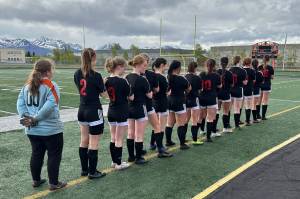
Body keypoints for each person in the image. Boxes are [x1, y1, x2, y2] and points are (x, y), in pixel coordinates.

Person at [17, 59, 66, 190]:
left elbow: (20, 103)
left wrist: (26, 117)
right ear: (48, 71)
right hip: (50, 129)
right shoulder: (51, 85)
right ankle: (54, 183)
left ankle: (36, 180)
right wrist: (35, 118)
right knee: (54, 155)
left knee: (36, 154)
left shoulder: (27, 85)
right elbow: (50, 105)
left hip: (32, 130)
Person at [74, 48, 106, 179]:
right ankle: (92, 172)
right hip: (94, 110)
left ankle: (84, 170)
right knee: (94, 142)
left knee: (84, 140)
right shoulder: (96, 75)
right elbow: (105, 95)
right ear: (93, 58)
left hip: (82, 110)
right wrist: (103, 83)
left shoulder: (77, 73)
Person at [104, 57, 132, 170]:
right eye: (123, 67)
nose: (124, 70)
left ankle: (114, 161)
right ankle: (119, 163)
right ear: (119, 67)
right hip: (121, 111)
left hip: (111, 110)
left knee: (113, 138)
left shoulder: (106, 80)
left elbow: (104, 94)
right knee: (119, 139)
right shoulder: (123, 81)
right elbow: (131, 96)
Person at [125, 55, 152, 164]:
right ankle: (139, 157)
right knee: (139, 134)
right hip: (140, 108)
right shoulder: (142, 79)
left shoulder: (127, 77)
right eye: (144, 65)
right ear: (139, 65)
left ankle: (131, 156)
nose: (145, 68)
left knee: (130, 133)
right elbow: (150, 95)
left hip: (129, 107)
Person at [166, 60, 191, 149]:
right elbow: (189, 89)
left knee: (170, 123)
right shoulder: (181, 78)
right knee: (181, 123)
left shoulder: (168, 76)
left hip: (170, 101)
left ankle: (168, 141)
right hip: (179, 101)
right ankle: (182, 144)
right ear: (178, 68)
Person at [151, 58, 173, 157]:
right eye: (165, 65)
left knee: (155, 125)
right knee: (161, 126)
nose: (166, 67)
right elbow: (167, 92)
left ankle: (153, 143)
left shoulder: (150, 75)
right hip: (162, 102)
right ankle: (160, 147)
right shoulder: (162, 77)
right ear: (161, 65)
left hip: (153, 102)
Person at [139, 53, 161, 155]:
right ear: (146, 62)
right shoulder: (152, 75)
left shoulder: (130, 75)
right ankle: (159, 148)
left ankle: (138, 151)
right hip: (147, 104)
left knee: (136, 131)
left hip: (135, 106)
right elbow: (156, 90)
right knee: (157, 126)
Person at [199, 59, 222, 142]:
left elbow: (199, 87)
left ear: (206, 65)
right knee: (210, 118)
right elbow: (219, 86)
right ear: (214, 66)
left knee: (202, 117)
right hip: (211, 98)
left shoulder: (201, 74)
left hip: (202, 98)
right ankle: (208, 137)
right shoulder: (216, 76)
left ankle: (201, 131)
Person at [185, 61, 203, 145]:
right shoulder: (197, 78)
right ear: (195, 68)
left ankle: (183, 138)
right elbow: (200, 90)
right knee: (194, 120)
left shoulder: (185, 77)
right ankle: (195, 140)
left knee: (186, 119)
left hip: (186, 99)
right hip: (194, 99)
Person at [229, 56, 247, 129]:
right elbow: (245, 83)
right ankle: (236, 125)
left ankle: (227, 124)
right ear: (239, 61)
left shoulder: (230, 70)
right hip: (238, 90)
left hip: (230, 90)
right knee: (237, 108)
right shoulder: (243, 71)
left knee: (228, 108)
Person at [216, 57, 233, 133]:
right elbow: (232, 84)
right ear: (227, 63)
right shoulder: (229, 73)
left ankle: (213, 129)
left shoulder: (216, 72)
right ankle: (225, 128)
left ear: (220, 63)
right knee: (226, 112)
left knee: (217, 111)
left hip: (218, 94)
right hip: (226, 94)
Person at [259, 55, 274, 120]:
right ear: (269, 60)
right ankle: (263, 116)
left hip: (260, 84)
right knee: (265, 100)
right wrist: (269, 76)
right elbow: (272, 77)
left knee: (259, 100)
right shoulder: (270, 67)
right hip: (267, 84)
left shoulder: (260, 67)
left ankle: (257, 115)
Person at [242, 57, 256, 126]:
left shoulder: (241, 70)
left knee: (239, 106)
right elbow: (253, 81)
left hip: (241, 90)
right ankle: (247, 121)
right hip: (249, 90)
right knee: (248, 106)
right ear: (250, 63)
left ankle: (238, 121)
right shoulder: (252, 71)